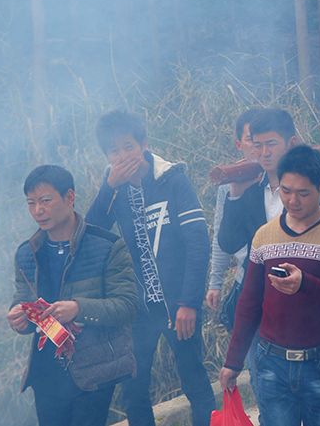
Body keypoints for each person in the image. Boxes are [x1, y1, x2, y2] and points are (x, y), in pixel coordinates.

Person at [85, 111, 214, 426]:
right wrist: (108, 188)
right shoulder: (114, 191)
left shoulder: (172, 180)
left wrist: (189, 303)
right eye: (113, 151)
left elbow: (198, 244)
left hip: (177, 305)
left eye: (128, 146)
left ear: (143, 144)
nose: (122, 156)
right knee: (133, 388)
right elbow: (90, 235)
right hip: (138, 310)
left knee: (194, 379)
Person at [220, 145, 320, 426]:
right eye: (285, 191)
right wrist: (233, 361)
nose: (293, 201)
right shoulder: (265, 236)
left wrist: (306, 284)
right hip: (271, 362)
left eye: (303, 193)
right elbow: (249, 303)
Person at [9, 165, 139, 426]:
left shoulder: (107, 246)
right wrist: (18, 317)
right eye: (31, 203)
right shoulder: (27, 253)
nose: (38, 210)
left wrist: (79, 308)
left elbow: (128, 305)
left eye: (45, 201)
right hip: (46, 370)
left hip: (93, 370)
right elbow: (22, 298)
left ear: (69, 197)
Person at [219, 108, 320, 262]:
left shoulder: (313, 189)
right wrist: (236, 194)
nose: (264, 152)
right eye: (258, 145)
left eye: (271, 144)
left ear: (291, 143)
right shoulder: (251, 190)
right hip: (259, 282)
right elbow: (229, 244)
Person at [207, 108, 262, 317]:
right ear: (239, 144)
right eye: (251, 140)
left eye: (264, 140)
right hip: (245, 280)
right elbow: (223, 238)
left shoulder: (282, 179)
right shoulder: (229, 183)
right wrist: (215, 283)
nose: (258, 147)